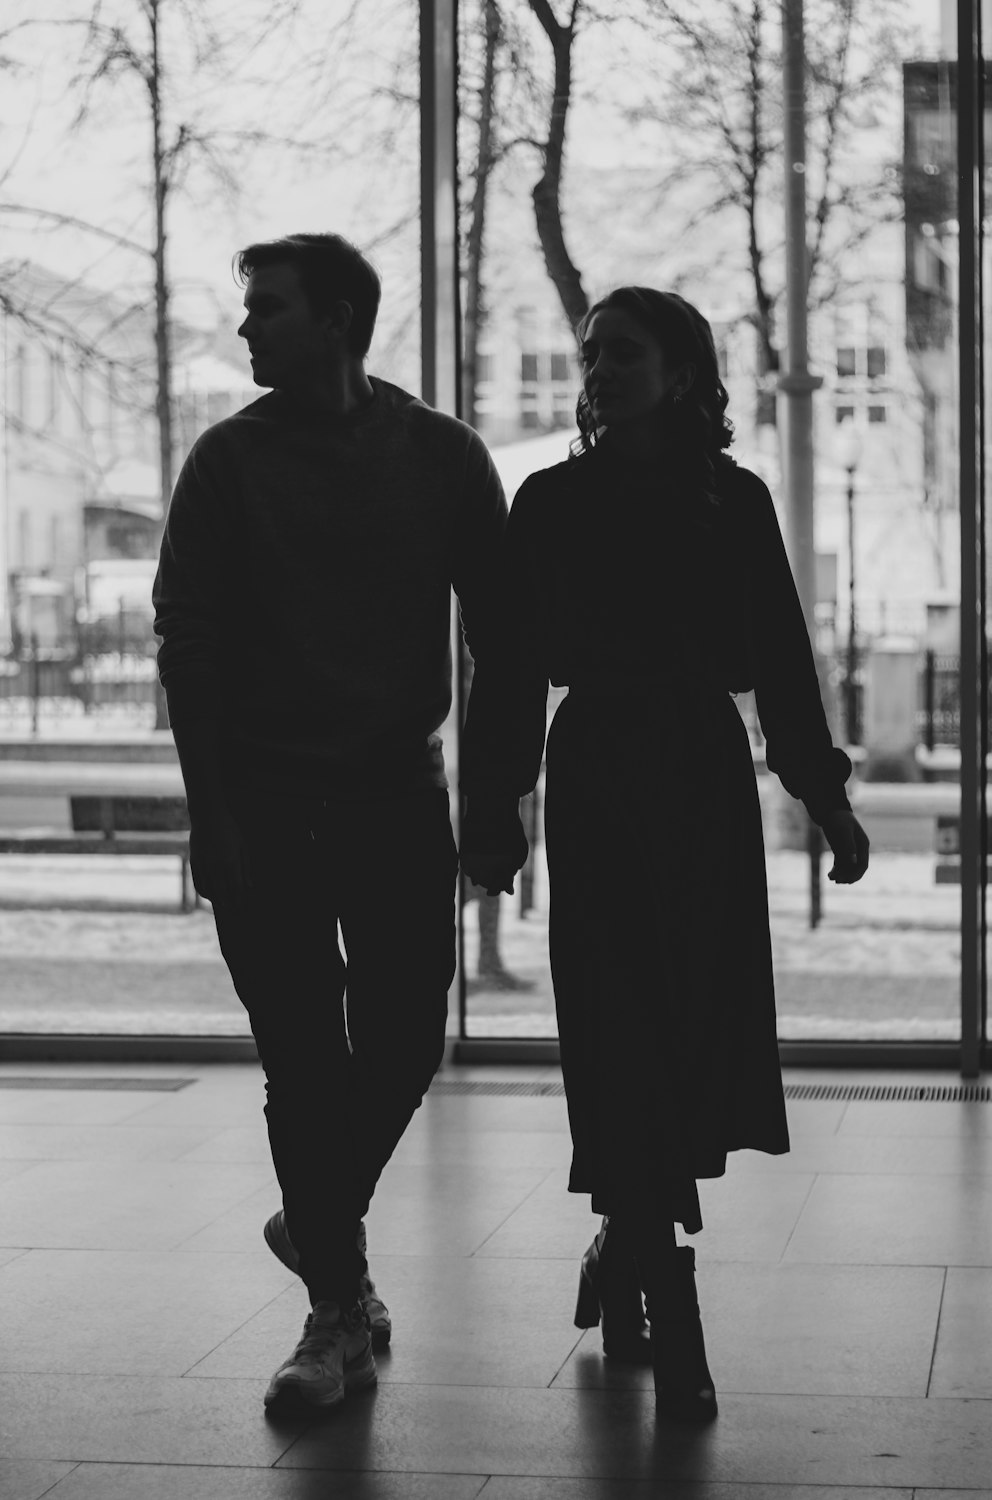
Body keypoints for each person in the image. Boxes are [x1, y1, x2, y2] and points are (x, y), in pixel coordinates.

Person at [459, 286, 869, 1424]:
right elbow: (509, 666)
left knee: (677, 1025)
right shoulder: (545, 501)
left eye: (621, 352)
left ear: (682, 372)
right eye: (591, 353)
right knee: (619, 1021)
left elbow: (782, 660)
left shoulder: (730, 501)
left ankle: (624, 1242)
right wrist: (493, 804)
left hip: (694, 776)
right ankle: (667, 1287)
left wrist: (823, 799)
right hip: (602, 776)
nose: (597, 368)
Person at [152, 232, 516, 1414]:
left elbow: (501, 641)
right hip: (262, 805)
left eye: (266, 308)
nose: (247, 327)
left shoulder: (442, 456)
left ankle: (315, 1220)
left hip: (394, 799)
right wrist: (210, 817)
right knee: (301, 1058)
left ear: (339, 320)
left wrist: (497, 798)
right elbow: (188, 648)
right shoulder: (226, 461)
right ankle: (333, 1312)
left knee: (408, 1038)